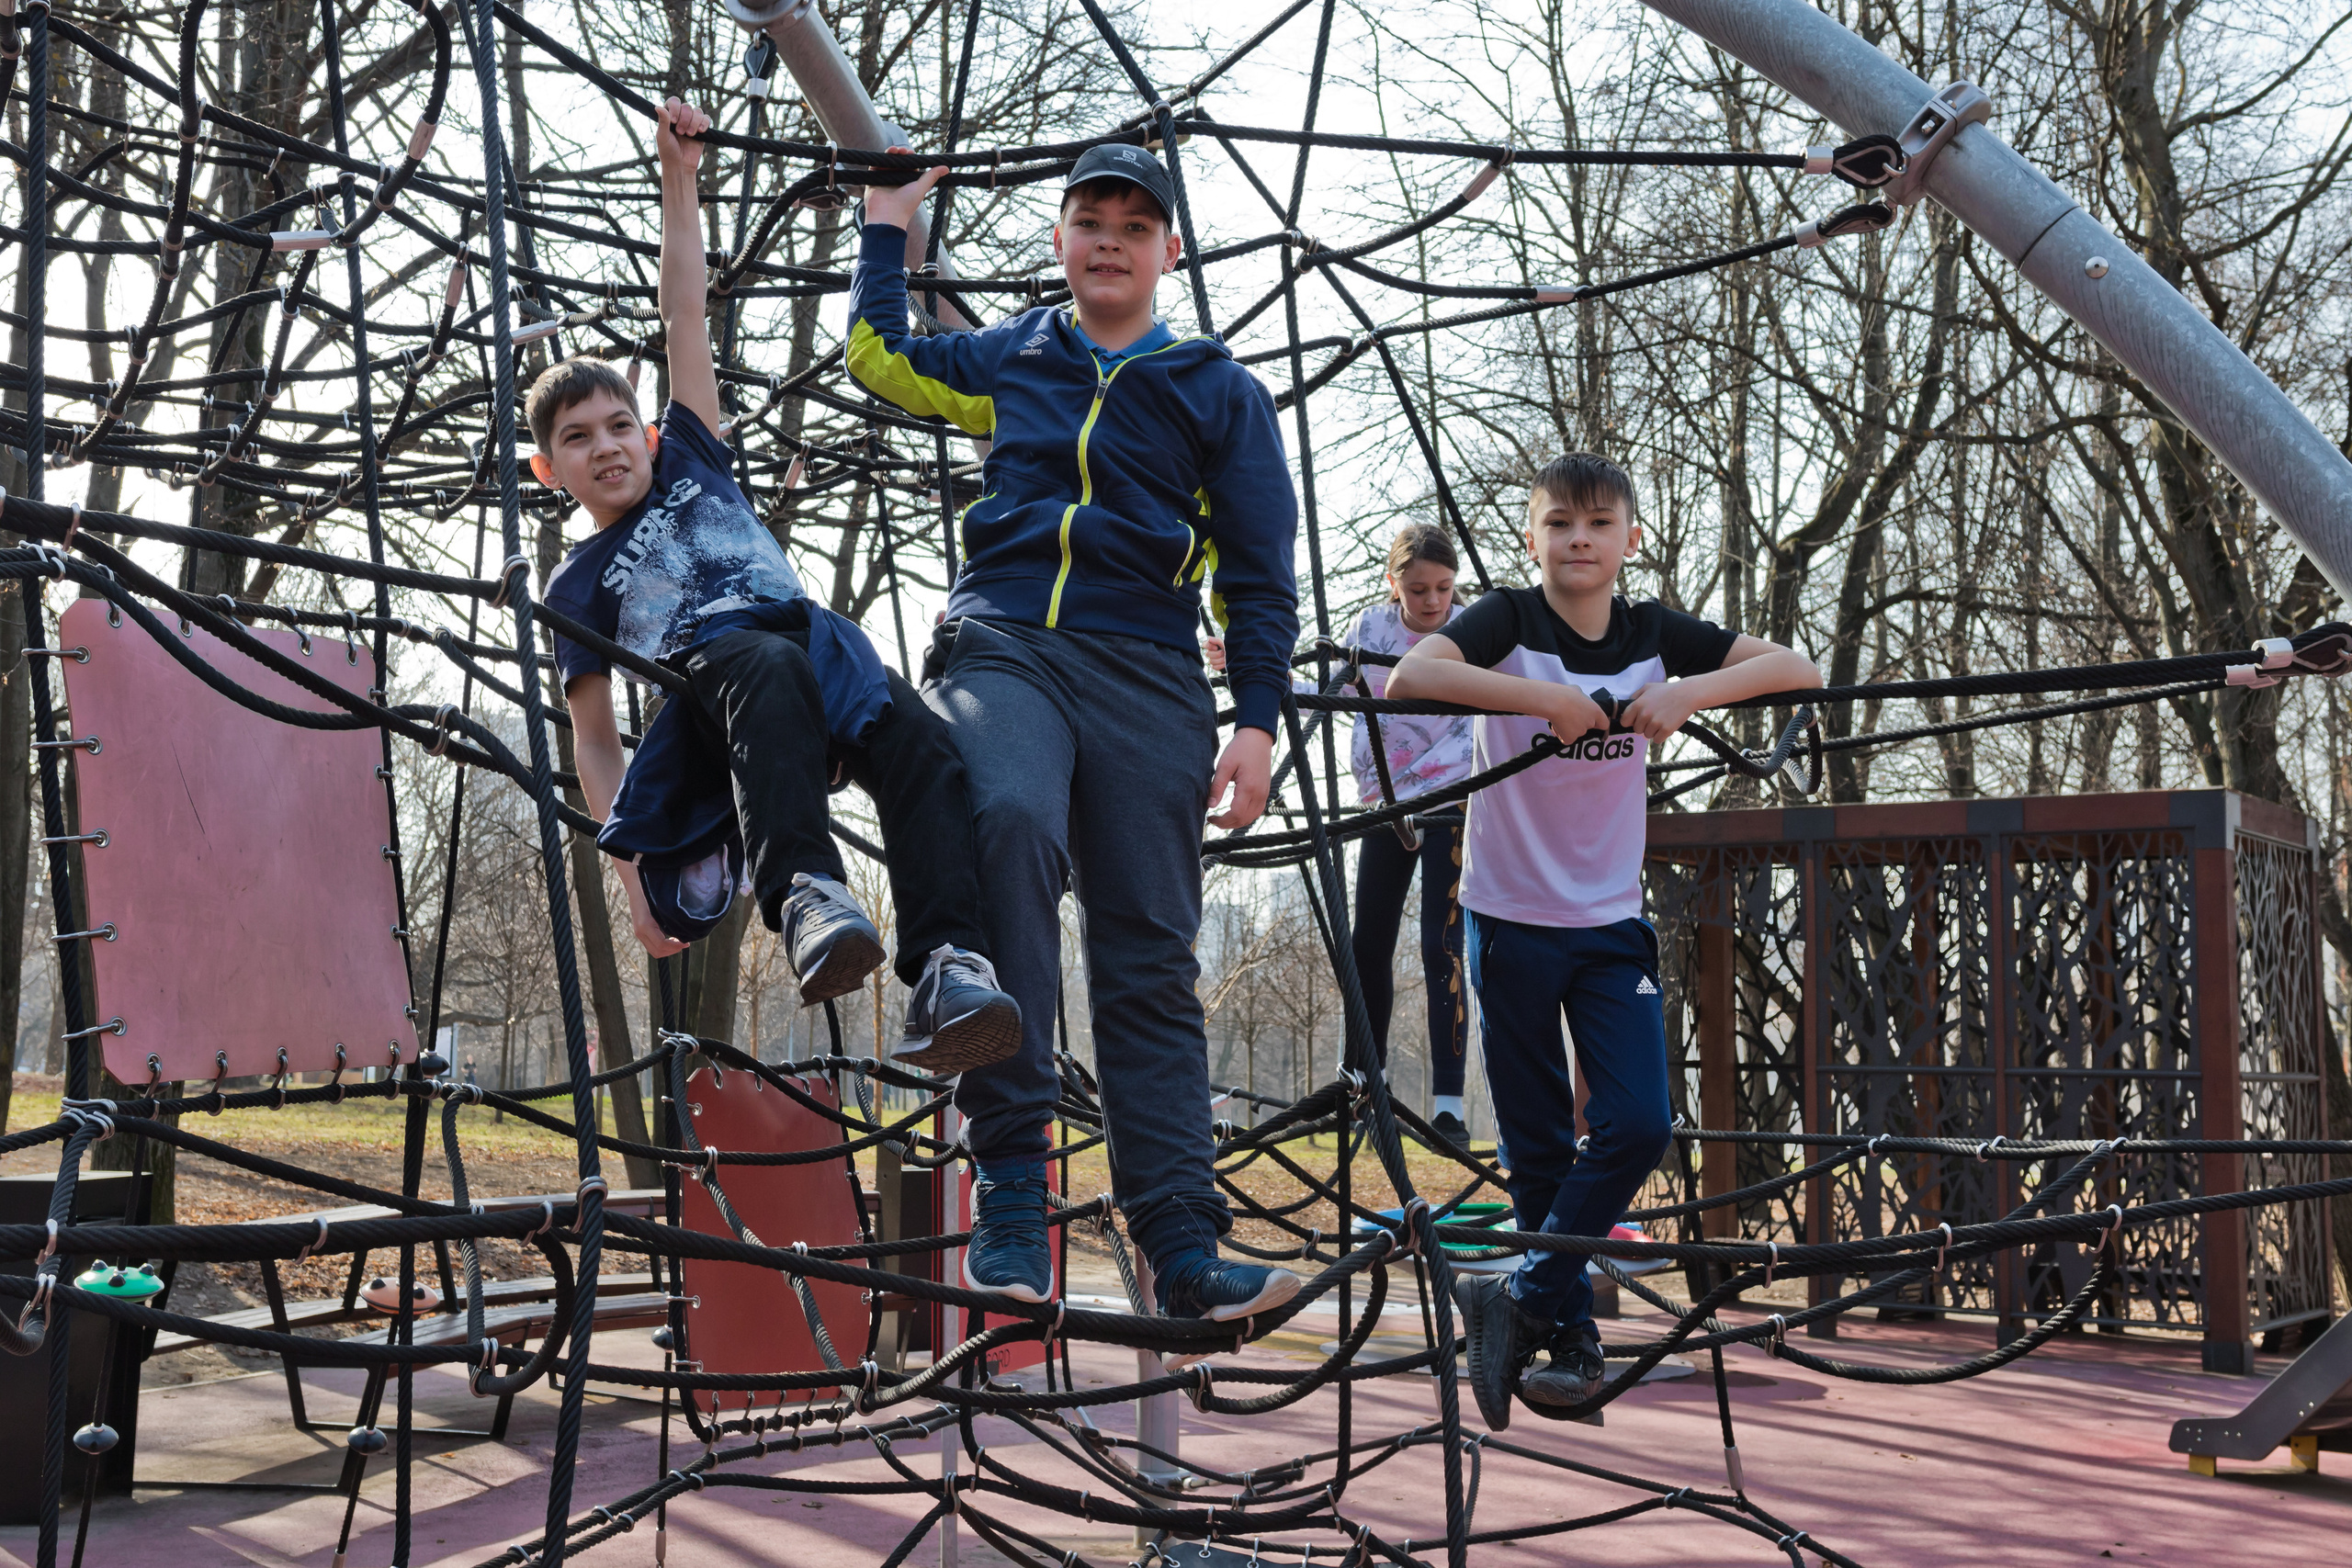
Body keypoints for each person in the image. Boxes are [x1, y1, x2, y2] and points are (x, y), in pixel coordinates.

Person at [847, 141, 1303, 1330]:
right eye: (1088, 218)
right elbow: (880, 358)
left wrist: (1256, 720)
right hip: (1008, 642)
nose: (1109, 237)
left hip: (1149, 669)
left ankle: (1180, 1236)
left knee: (1149, 948)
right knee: (1002, 819)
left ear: (1170, 252)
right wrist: (887, 228)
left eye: (1134, 224)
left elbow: (1259, 576)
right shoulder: (1019, 356)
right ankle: (1010, 1177)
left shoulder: (1218, 390)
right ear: (1059, 240)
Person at [535, 98, 1017, 1077]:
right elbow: (591, 740)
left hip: (813, 649)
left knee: (924, 747)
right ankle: (804, 894)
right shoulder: (576, 581)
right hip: (721, 690)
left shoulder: (694, 465)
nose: (606, 448)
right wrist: (631, 876)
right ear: (550, 471)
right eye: (577, 439)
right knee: (758, 659)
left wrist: (679, 181)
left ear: (651, 433)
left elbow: (682, 314)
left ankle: (947, 965)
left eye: (617, 426)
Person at [1386, 453, 1819, 1427]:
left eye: (1596, 526)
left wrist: (1688, 695)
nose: (1576, 542)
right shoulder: (1509, 622)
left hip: (1607, 922)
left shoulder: (1652, 633)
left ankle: (1521, 1298)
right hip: (1505, 917)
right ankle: (1570, 1341)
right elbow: (1416, 676)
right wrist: (1548, 704)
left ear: (1629, 540)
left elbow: (1795, 667)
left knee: (1634, 1121)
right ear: (1532, 539)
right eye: (1557, 525)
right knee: (1539, 1143)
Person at [1205, 523, 1476, 1145]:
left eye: (1443, 588)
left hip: (1453, 794)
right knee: (1367, 942)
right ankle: (1363, 1085)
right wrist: (1250, 668)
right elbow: (1320, 691)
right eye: (1418, 589)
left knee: (1442, 942)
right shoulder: (1372, 630)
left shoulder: (1471, 629)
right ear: (1393, 585)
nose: (1433, 601)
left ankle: (1450, 1108)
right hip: (1384, 795)